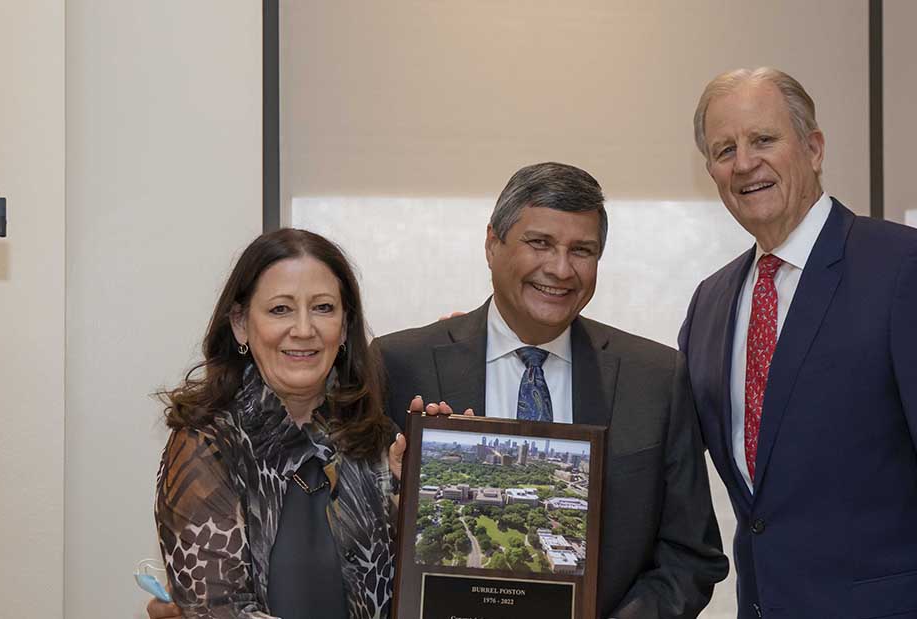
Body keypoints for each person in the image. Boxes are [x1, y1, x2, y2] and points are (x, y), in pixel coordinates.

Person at [678, 68, 917, 618]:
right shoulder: (710, 305)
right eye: (725, 149)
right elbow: (667, 461)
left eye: (763, 139)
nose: (744, 163)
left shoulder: (908, 270)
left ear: (813, 149)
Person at [374, 162, 729, 618]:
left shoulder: (658, 378)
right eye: (539, 243)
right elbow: (354, 543)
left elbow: (691, 554)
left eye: (582, 250)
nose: (561, 269)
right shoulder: (399, 365)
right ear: (491, 244)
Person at [150, 228, 406, 618]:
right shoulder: (208, 443)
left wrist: (430, 503)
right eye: (280, 309)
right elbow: (218, 611)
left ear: (344, 326)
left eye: (323, 308)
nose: (304, 330)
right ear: (239, 323)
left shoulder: (376, 439)